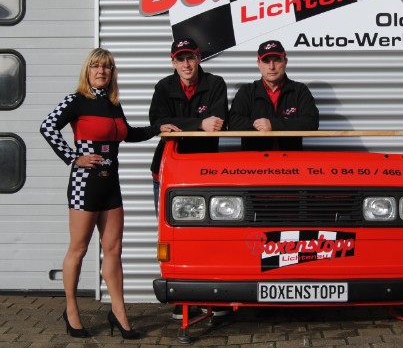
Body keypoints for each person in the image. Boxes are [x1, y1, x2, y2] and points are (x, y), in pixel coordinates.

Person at [40, 48, 178, 339]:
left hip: (110, 185)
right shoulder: (76, 100)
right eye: (95, 66)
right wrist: (73, 157)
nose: (101, 71)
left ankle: (119, 313)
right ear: (87, 70)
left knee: (114, 250)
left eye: (106, 67)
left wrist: (157, 128)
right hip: (85, 184)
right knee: (78, 249)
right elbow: (47, 126)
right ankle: (71, 311)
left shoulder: (113, 104)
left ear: (112, 72)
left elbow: (127, 134)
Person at [149, 37, 228, 319]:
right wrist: (199, 124)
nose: (186, 64)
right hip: (168, 172)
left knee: (211, 234)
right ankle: (181, 297)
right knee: (174, 235)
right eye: (180, 59)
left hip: (205, 172)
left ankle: (213, 295)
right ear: (173, 62)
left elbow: (218, 123)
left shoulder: (215, 84)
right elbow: (158, 123)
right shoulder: (163, 87)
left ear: (199, 59)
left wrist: (182, 125)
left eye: (190, 58)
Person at [229, 40, 319, 150]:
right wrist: (261, 125)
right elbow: (233, 123)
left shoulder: (299, 90)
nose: (271, 67)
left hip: (291, 159)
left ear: (285, 62)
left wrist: (273, 124)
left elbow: (311, 122)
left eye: (277, 60)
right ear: (258, 64)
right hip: (255, 159)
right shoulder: (247, 91)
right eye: (266, 61)